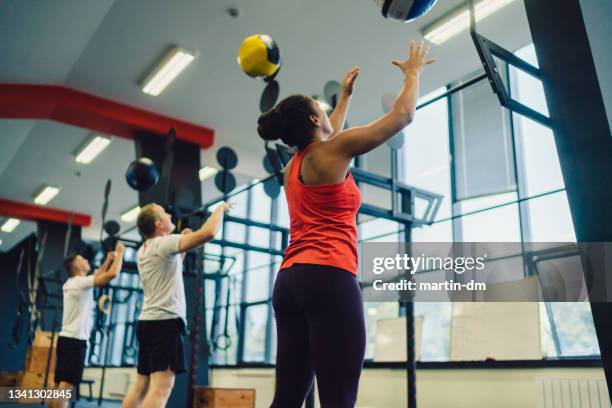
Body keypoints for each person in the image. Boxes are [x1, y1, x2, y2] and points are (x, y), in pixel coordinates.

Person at [257, 40, 434, 407]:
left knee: (288, 399)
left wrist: (345, 99)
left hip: (289, 282)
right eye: (320, 110)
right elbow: (402, 116)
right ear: (312, 120)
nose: (326, 114)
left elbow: (329, 133)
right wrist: (413, 74)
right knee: (338, 400)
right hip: (328, 278)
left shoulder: (295, 164)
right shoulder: (330, 153)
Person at [122, 202, 230, 408]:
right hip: (165, 324)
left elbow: (168, 265)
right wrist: (219, 210)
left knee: (140, 386)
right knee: (161, 389)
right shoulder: (164, 243)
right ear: (158, 224)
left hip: (147, 324)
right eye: (164, 213)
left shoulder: (144, 249)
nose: (170, 214)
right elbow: (209, 233)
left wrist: (183, 247)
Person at [49, 242, 125, 408]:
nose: (85, 259)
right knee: (66, 388)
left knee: (58, 387)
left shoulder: (73, 283)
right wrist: (120, 254)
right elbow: (111, 275)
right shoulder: (79, 282)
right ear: (76, 266)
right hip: (76, 342)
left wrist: (107, 260)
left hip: (65, 340)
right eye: (82, 258)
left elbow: (96, 276)